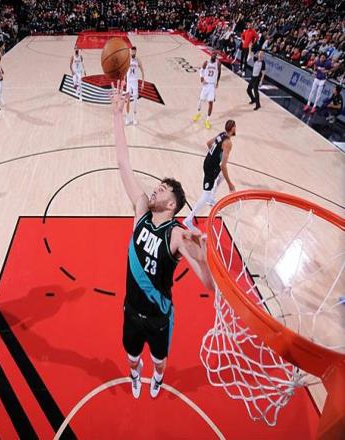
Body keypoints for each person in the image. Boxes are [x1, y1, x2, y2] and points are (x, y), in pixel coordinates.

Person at [111, 81, 214, 399]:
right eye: (157, 186)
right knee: (131, 358)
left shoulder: (177, 235)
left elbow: (209, 286)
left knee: (159, 361)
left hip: (159, 317)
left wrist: (203, 261)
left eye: (162, 189)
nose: (154, 189)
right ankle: (135, 375)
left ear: (172, 204)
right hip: (131, 310)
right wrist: (117, 115)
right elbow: (123, 163)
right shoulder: (141, 209)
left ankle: (156, 378)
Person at [183, 120, 237, 231]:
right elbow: (223, 166)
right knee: (205, 194)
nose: (236, 128)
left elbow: (208, 143)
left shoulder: (222, 134)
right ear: (232, 129)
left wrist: (214, 157)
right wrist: (230, 184)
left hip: (209, 162)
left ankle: (211, 198)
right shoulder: (228, 143)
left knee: (221, 175)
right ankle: (188, 219)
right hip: (210, 168)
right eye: (235, 127)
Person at [193, 52, 221, 129]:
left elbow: (219, 73)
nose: (214, 55)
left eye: (215, 55)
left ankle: (207, 120)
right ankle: (198, 113)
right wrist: (202, 78)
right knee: (201, 100)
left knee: (210, 102)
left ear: (216, 56)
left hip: (212, 86)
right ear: (211, 55)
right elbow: (201, 71)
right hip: (206, 84)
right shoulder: (206, 62)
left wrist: (217, 82)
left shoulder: (218, 64)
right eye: (213, 54)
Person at [125, 46, 145, 126]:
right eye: (132, 51)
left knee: (135, 101)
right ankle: (127, 118)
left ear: (136, 52)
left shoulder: (138, 60)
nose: (133, 52)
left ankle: (134, 118)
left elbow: (142, 71)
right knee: (127, 100)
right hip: (129, 82)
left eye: (134, 51)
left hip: (135, 82)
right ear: (130, 52)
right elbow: (124, 70)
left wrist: (142, 82)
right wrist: (124, 79)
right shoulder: (127, 60)